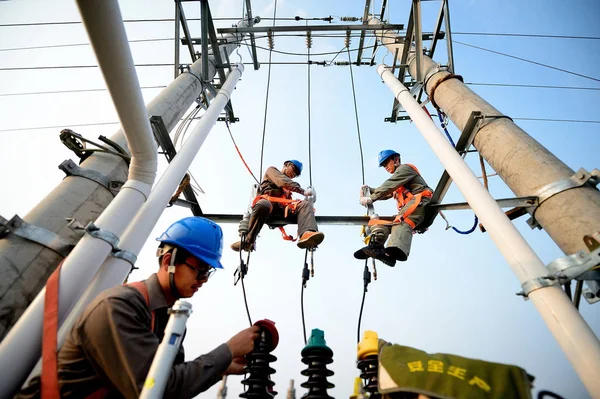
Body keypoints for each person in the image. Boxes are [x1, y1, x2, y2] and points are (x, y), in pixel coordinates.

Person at [17, 216, 260, 399]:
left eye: (208, 273)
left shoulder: (167, 319)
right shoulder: (120, 307)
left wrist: (222, 367)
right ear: (169, 261)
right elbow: (155, 389)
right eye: (199, 270)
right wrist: (227, 351)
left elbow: (172, 383)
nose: (203, 280)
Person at [354, 150, 433, 267]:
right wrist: (370, 190)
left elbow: (389, 185)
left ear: (396, 159)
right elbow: (387, 192)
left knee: (401, 221)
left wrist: (371, 198)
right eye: (384, 165)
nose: (386, 167)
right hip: (411, 207)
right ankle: (375, 246)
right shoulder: (399, 182)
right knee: (385, 224)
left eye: (387, 163)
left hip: (420, 202)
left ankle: (394, 252)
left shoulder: (405, 169)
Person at [231, 160, 325, 252]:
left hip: (281, 211)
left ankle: (306, 233)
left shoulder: (287, 189)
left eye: (296, 174)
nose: (294, 175)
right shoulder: (272, 171)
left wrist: (309, 200)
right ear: (286, 165)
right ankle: (249, 241)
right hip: (267, 207)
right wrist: (302, 191)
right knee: (263, 204)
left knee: (304, 205)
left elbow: (287, 187)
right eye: (294, 170)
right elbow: (282, 181)